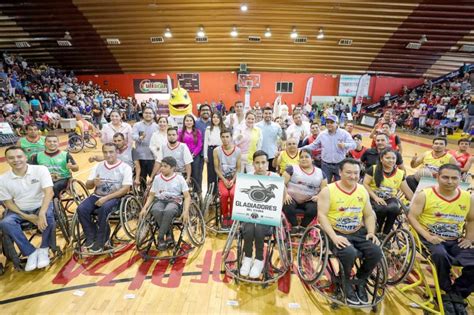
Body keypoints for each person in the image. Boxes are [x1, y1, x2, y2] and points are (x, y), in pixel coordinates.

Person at [408, 164, 474, 314]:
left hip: (455, 240)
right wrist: (427, 236)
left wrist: (469, 239)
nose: (449, 181)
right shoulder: (425, 194)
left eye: (454, 178)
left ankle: (456, 293)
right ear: (437, 177)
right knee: (440, 255)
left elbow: (471, 220)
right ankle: (444, 290)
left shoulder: (467, 197)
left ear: (460, 179)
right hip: (430, 238)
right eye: (445, 177)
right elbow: (412, 216)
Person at [318, 158, 382, 305]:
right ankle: (345, 280)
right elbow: (321, 216)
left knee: (376, 251)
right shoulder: (328, 190)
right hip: (335, 231)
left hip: (358, 232)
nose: (353, 176)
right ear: (340, 172)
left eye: (356, 173)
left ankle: (360, 280)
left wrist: (371, 232)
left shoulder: (362, 190)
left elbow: (368, 214)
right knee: (349, 252)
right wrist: (334, 237)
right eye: (348, 173)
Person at [0, 146, 55, 271]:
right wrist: (27, 217)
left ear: (25, 157)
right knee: (5, 223)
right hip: (20, 209)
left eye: (19, 156)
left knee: (49, 216)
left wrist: (41, 213)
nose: (16, 160)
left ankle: (44, 249)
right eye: (11, 158)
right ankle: (30, 252)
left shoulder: (41, 170)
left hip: (40, 205)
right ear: (7, 160)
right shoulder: (2, 179)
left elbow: (49, 192)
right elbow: (8, 202)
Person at [77, 143, 133, 253]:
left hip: (115, 197)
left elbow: (125, 189)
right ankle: (91, 235)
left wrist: (106, 198)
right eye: (105, 152)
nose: (108, 155)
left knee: (104, 209)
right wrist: (93, 182)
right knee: (81, 209)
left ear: (117, 152)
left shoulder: (125, 167)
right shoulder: (97, 166)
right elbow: (88, 185)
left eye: (111, 152)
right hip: (97, 195)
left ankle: (101, 240)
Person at [239, 150, 279, 279]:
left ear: (267, 163)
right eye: (257, 163)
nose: (260, 166)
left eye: (263, 162)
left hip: (267, 216)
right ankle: (248, 256)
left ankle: (259, 259)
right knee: (249, 226)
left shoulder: (275, 178)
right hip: (249, 214)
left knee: (260, 226)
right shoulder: (248, 177)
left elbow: (280, 201)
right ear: (253, 164)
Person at [139, 156, 190, 251]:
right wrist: (144, 208)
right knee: (156, 209)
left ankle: (160, 237)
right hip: (160, 200)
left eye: (165, 166)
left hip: (174, 202)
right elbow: (151, 195)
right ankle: (169, 235)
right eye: (161, 166)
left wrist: (186, 211)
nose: (161, 168)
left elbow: (187, 196)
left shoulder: (179, 178)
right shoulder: (158, 178)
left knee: (168, 210)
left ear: (173, 168)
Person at [362, 149, 413, 235]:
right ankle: (376, 231)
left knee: (394, 208)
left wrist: (416, 203)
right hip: (373, 197)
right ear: (381, 159)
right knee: (381, 209)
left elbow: (407, 191)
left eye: (393, 158)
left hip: (390, 198)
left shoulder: (400, 173)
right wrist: (375, 197)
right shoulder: (373, 169)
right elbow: (365, 184)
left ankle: (386, 233)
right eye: (388, 158)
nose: (391, 160)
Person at [282, 149, 327, 232]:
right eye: (301, 157)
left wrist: (318, 196)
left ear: (312, 159)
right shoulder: (291, 169)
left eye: (306, 157)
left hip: (309, 199)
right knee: (287, 205)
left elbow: (324, 189)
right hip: (292, 198)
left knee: (313, 208)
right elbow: (282, 183)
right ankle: (295, 226)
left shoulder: (320, 173)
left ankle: (303, 227)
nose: (304, 159)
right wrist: (286, 195)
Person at [303, 114, 356, 183]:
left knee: (340, 184)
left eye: (331, 122)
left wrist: (345, 145)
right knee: (325, 184)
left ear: (337, 123)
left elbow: (354, 145)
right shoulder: (322, 134)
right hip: (325, 165)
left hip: (339, 164)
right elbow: (314, 145)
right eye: (327, 122)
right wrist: (300, 148)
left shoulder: (344, 134)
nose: (329, 124)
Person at [213, 129, 241, 228]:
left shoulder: (237, 150)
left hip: (234, 178)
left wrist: (233, 180)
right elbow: (216, 169)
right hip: (222, 178)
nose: (225, 139)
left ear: (231, 137)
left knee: (233, 194)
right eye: (223, 137)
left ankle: (233, 216)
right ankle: (225, 216)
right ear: (220, 138)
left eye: (227, 137)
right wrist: (224, 180)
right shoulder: (216, 151)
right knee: (224, 195)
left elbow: (238, 168)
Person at [132, 107, 160, 185]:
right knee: (142, 179)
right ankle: (142, 195)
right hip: (141, 156)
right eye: (146, 113)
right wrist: (139, 138)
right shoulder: (137, 125)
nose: (148, 115)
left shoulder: (157, 126)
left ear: (153, 115)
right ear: (143, 114)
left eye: (150, 113)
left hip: (153, 156)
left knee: (154, 179)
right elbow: (133, 136)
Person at [178, 114, 203, 191]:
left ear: (193, 122)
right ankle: (185, 192)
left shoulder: (198, 132)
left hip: (195, 156)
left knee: (196, 175)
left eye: (190, 120)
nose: (189, 122)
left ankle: (197, 193)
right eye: (187, 120)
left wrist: (193, 154)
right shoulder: (180, 132)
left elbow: (199, 145)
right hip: (183, 156)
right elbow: (178, 144)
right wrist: (185, 155)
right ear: (184, 122)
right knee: (184, 175)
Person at [256, 106, 283, 172]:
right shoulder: (256, 126)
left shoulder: (277, 126)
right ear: (263, 114)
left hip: (272, 155)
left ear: (272, 114)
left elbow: (282, 139)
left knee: (271, 177)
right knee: (260, 176)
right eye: (266, 113)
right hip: (260, 155)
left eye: (269, 113)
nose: (268, 115)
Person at [204, 112, 224, 194]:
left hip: (221, 150)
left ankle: (220, 192)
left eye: (217, 117)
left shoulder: (223, 128)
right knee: (211, 172)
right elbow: (205, 142)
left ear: (220, 119)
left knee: (221, 171)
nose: (215, 119)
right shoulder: (209, 129)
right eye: (214, 117)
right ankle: (211, 193)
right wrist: (205, 155)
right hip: (211, 150)